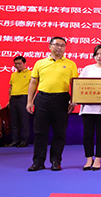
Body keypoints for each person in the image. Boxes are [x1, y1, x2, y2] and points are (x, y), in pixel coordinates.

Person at [27, 36, 79, 171]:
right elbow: (33, 82)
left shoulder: (70, 64)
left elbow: (74, 83)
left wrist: (73, 100)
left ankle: (56, 161)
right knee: (40, 132)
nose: (59, 48)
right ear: (50, 46)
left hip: (62, 100)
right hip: (42, 99)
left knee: (59, 133)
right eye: (56, 45)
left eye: (62, 45)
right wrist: (29, 101)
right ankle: (38, 162)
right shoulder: (40, 63)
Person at [6, 56, 31, 147]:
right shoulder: (13, 75)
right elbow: (11, 88)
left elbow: (33, 88)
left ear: (25, 63)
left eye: (19, 63)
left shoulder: (31, 74)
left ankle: (24, 140)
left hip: (24, 98)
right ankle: (15, 140)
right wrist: (9, 100)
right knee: (14, 121)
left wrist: (30, 101)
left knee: (24, 121)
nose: (17, 65)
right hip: (13, 98)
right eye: (16, 64)